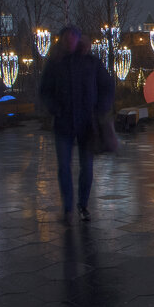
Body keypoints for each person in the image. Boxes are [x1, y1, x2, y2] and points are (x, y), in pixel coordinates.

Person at [39, 25, 114, 224]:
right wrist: (55, 108)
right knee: (64, 166)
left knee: (86, 167)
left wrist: (99, 109)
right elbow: (44, 91)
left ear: (79, 39)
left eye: (74, 36)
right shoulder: (55, 63)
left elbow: (107, 86)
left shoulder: (91, 63)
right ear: (62, 40)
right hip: (63, 122)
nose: (70, 40)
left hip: (87, 123)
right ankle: (68, 207)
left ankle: (83, 205)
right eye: (66, 37)